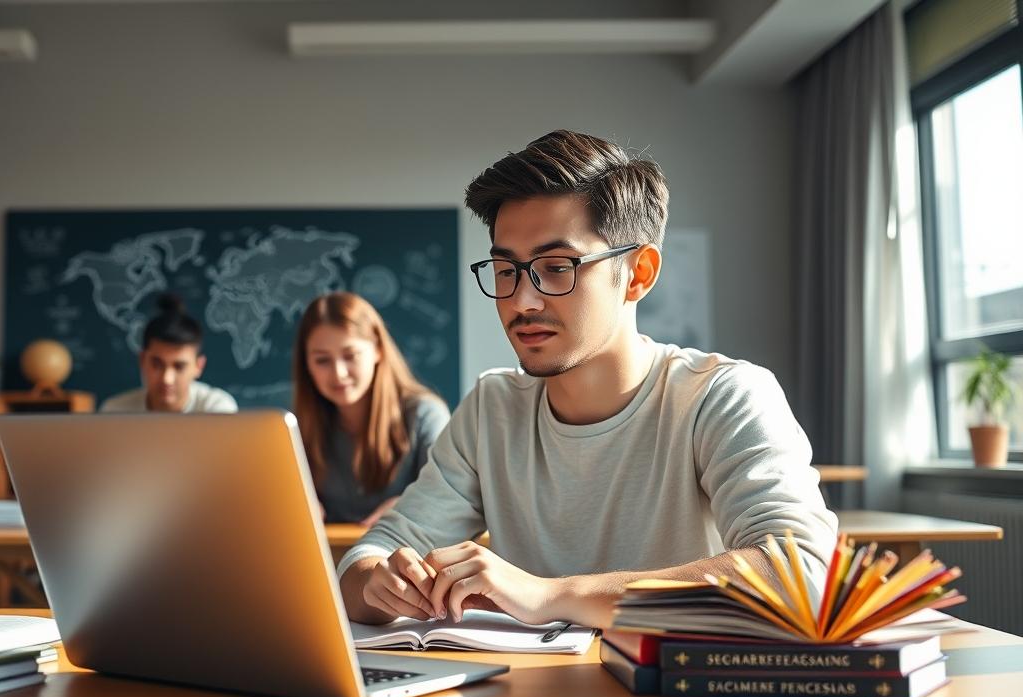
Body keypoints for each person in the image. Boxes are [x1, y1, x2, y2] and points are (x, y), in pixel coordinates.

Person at [338, 130, 837, 629]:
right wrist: (380, 582)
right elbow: (364, 564)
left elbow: (802, 575)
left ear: (638, 273)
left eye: (557, 268)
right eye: (505, 269)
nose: (521, 301)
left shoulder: (721, 396)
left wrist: (553, 595)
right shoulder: (492, 409)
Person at [293, 292, 450, 526]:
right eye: (322, 360)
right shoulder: (297, 424)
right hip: (329, 559)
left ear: (378, 349)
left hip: (405, 554)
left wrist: (414, 503)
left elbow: (450, 496)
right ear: (306, 364)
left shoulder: (425, 414)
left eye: (351, 356)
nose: (338, 373)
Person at [100, 294, 238, 414]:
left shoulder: (217, 408)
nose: (167, 379)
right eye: (156, 364)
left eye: (179, 366)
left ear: (199, 366)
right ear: (142, 360)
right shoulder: (114, 411)